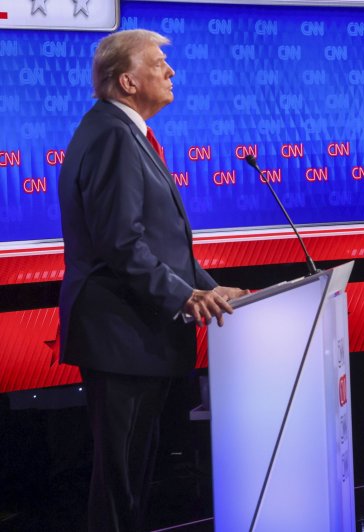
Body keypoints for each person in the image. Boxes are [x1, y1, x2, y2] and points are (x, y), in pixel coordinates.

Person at [58, 29, 247, 531]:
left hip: (135, 333)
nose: (171, 71)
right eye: (159, 62)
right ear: (127, 80)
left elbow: (159, 243)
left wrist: (207, 286)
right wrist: (186, 297)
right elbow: (121, 243)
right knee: (120, 486)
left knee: (133, 478)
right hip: (120, 334)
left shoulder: (121, 132)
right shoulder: (112, 135)